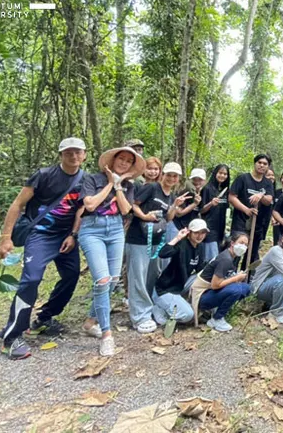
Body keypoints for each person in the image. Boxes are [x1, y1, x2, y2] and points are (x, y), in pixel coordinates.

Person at [0, 137, 87, 359]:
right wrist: (5, 237)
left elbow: (81, 209)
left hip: (66, 236)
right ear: (61, 155)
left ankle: (45, 317)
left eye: (78, 152)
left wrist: (73, 235)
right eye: (68, 152)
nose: (73, 156)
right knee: (31, 279)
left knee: (71, 275)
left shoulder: (86, 179)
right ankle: (12, 337)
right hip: (40, 235)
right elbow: (18, 204)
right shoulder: (44, 175)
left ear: (84, 155)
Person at [78, 146, 144, 356]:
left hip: (115, 229)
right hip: (92, 229)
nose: (124, 163)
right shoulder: (92, 179)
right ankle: (107, 335)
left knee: (113, 280)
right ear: (112, 160)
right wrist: (109, 183)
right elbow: (90, 205)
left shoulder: (128, 186)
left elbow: (125, 209)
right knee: (102, 281)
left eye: (128, 161)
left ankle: (90, 321)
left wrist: (118, 184)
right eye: (121, 159)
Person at [126, 162, 190, 334]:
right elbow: (134, 204)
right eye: (169, 175)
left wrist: (175, 205)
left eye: (175, 176)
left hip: (155, 240)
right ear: (163, 175)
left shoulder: (171, 195)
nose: (171, 178)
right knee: (138, 277)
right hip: (138, 239)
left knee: (151, 276)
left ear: (178, 179)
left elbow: (168, 218)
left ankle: (148, 309)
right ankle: (139, 317)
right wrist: (144, 216)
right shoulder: (152, 187)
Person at [152, 219, 210, 332]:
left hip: (180, 286)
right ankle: (157, 309)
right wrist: (177, 238)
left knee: (202, 277)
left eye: (203, 232)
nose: (200, 236)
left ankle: (174, 306)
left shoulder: (200, 247)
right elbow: (163, 253)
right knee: (188, 315)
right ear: (189, 233)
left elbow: (200, 269)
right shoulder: (182, 244)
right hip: (165, 289)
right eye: (196, 232)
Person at [194, 232, 252, 332]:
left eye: (246, 245)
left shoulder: (232, 257)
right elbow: (215, 285)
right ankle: (217, 319)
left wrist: (236, 276)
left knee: (246, 288)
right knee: (236, 289)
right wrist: (236, 278)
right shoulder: (225, 259)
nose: (243, 246)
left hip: (210, 292)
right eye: (241, 243)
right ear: (232, 243)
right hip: (202, 296)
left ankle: (218, 309)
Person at [228, 154, 274, 266]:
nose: (262, 165)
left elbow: (269, 200)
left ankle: (246, 275)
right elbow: (232, 197)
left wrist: (261, 196)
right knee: (236, 250)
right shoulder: (243, 178)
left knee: (251, 255)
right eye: (259, 162)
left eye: (265, 164)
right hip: (240, 223)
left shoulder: (267, 183)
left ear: (268, 166)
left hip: (257, 224)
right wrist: (246, 210)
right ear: (255, 163)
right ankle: (230, 273)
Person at [200, 164, 230, 261]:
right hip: (209, 229)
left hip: (220, 230)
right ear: (215, 173)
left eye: (225, 174)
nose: (222, 176)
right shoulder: (207, 188)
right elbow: (201, 210)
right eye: (220, 173)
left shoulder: (226, 191)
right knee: (211, 259)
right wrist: (211, 204)